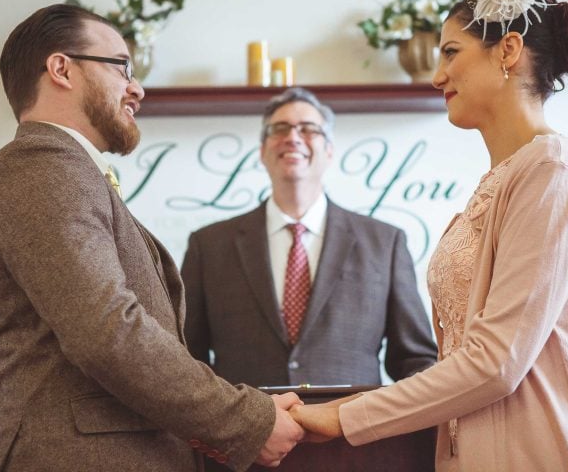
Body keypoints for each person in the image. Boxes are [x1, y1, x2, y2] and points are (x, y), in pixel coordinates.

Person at [289, 0, 568, 471]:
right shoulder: (504, 179)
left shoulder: (554, 170)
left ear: (507, 49)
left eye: (451, 52)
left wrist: (342, 416)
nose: (438, 76)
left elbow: (495, 362)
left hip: (554, 454)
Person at [0, 4, 304, 472]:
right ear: (61, 68)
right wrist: (243, 421)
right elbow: (109, 330)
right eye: (122, 66)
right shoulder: (42, 165)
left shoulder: (67, 169)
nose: (137, 87)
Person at [181, 87, 437, 390]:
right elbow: (186, 358)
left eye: (308, 129)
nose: (293, 137)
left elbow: (416, 361)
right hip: (247, 433)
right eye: (280, 129)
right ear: (262, 151)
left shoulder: (385, 243)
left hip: (356, 433)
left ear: (329, 151)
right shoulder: (208, 246)